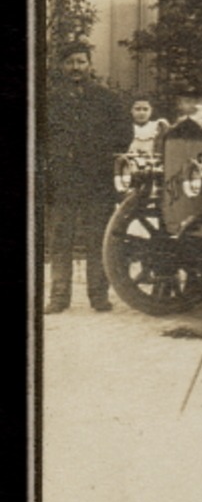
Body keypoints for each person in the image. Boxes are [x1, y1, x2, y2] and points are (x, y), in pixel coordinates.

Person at [42, 41, 126, 313]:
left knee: (98, 239)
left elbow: (125, 135)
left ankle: (99, 295)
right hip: (61, 181)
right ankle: (58, 297)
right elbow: (39, 138)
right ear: (61, 66)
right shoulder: (48, 100)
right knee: (60, 239)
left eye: (80, 61)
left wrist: (101, 154)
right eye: (70, 62)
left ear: (90, 64)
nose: (75, 67)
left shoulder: (107, 99)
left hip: (97, 180)